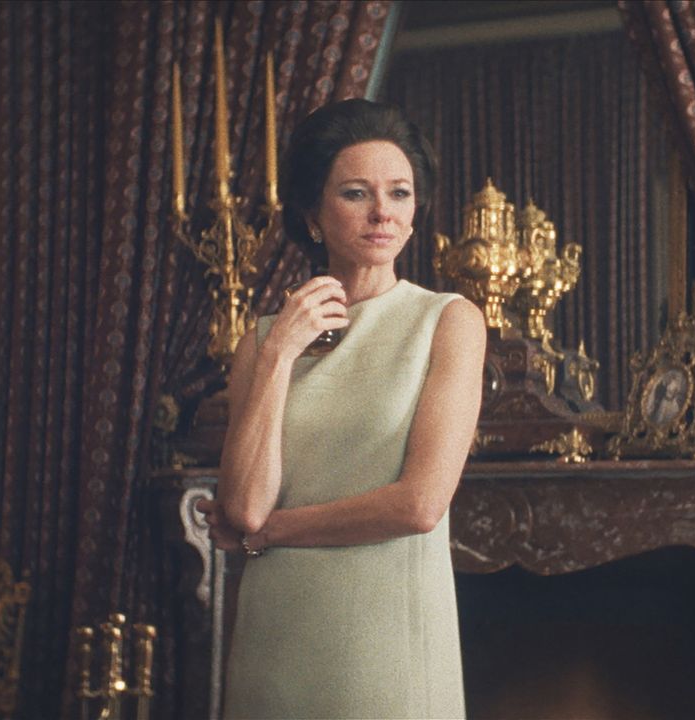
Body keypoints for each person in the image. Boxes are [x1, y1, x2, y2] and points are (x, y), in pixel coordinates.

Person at [195, 98, 486, 719]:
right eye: (356, 193)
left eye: (400, 193)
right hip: (274, 641)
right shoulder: (265, 338)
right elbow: (244, 504)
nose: (383, 211)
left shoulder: (447, 322)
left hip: (385, 649)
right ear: (312, 215)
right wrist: (278, 354)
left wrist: (272, 533)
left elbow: (420, 505)